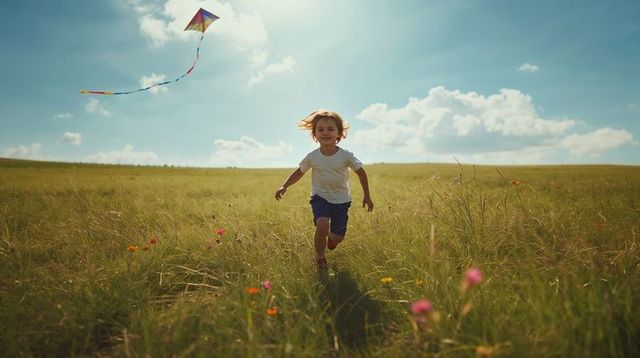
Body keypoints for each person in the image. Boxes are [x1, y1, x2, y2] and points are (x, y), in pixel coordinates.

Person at [274, 110, 374, 269]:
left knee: (337, 236)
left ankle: (333, 239)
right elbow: (299, 172)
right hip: (320, 197)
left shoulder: (345, 156)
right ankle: (320, 257)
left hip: (341, 200)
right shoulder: (313, 156)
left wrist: (367, 196)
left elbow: (361, 173)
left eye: (330, 129)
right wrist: (284, 186)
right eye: (320, 129)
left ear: (339, 133)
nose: (325, 133)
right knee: (322, 226)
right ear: (315, 135)